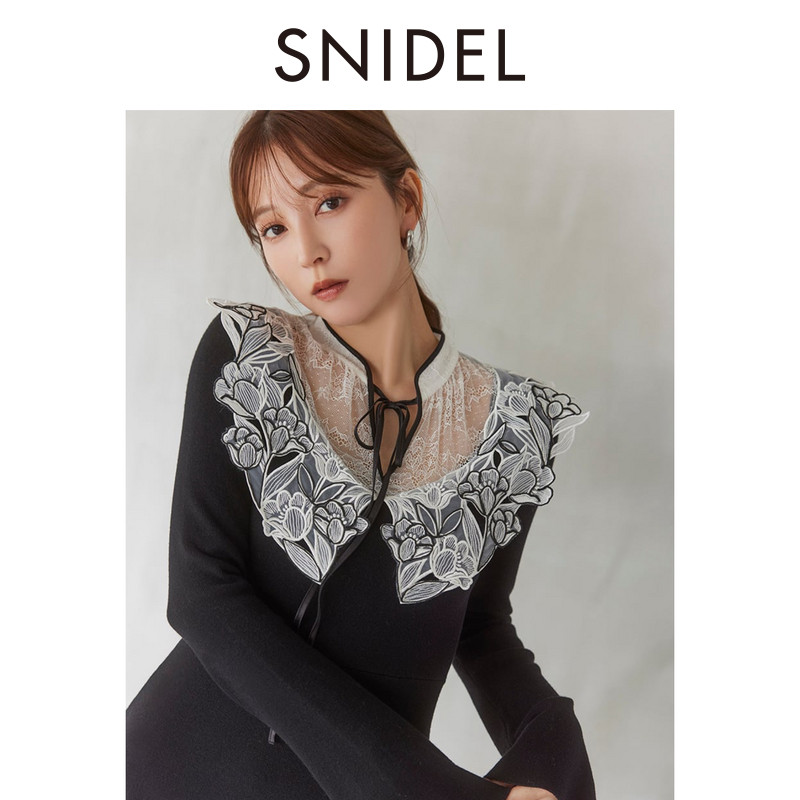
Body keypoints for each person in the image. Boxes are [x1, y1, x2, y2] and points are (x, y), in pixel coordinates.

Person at [126, 110, 595, 800]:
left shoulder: (510, 426)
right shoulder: (251, 359)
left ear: (407, 199)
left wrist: (556, 747)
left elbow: (481, 627)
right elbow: (203, 599)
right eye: (273, 228)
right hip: (172, 773)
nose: (307, 251)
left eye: (329, 203)